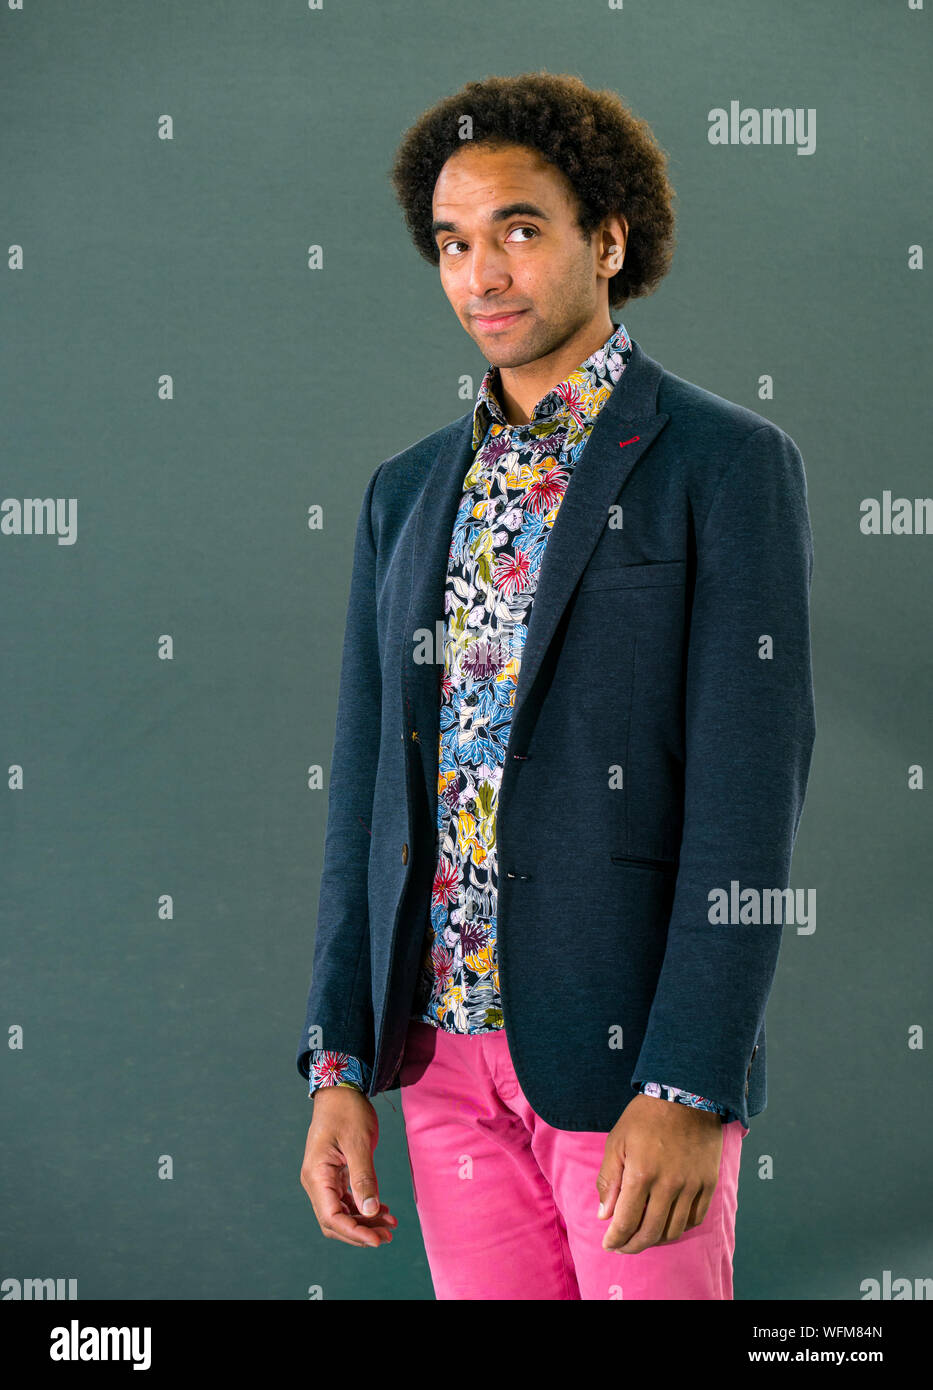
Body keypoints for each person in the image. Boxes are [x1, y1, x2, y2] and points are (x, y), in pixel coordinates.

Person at [297, 72, 816, 1300]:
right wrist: (337, 1063)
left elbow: (750, 796)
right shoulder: (405, 491)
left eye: (520, 230)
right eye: (453, 242)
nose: (483, 273)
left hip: (627, 1055)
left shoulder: (725, 466)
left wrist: (690, 1080)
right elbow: (367, 791)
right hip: (438, 1057)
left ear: (610, 239)